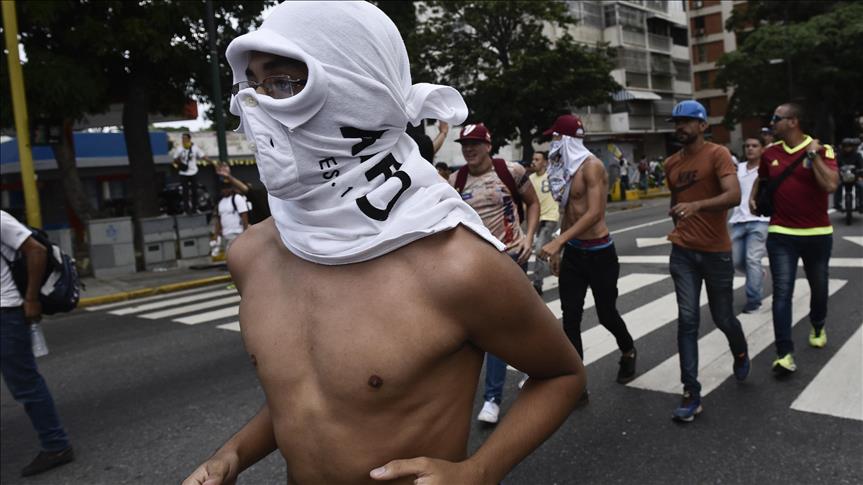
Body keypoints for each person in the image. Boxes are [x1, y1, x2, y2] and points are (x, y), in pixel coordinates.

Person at [182, 3, 584, 485]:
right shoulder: (252, 256)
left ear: (356, 96)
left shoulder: (457, 266)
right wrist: (233, 453)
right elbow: (316, 400)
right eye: (251, 85)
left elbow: (562, 375)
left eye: (284, 83)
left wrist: (479, 471)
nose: (256, 108)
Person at [537, 114, 637, 397]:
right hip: (575, 254)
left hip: (600, 253)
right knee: (570, 318)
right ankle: (577, 383)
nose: (552, 142)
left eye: (555, 137)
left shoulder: (592, 167)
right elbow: (567, 212)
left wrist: (558, 241)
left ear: (567, 139)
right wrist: (561, 248)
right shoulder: (565, 170)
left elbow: (594, 213)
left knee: (606, 314)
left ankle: (628, 350)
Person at [449, 122, 541, 424]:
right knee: (504, 326)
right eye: (465, 145)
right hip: (477, 264)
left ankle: (494, 397)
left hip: (512, 256)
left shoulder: (510, 171)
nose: (469, 150)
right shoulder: (456, 180)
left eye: (475, 143)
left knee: (502, 326)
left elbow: (532, 203)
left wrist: (529, 238)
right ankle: (523, 372)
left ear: (488, 145)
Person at [663, 100, 750, 423]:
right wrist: (680, 216)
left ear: (702, 125)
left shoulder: (718, 154)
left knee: (723, 317)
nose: (680, 127)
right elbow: (676, 199)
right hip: (683, 252)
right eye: (677, 122)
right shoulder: (671, 163)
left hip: (716, 252)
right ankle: (691, 392)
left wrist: (697, 206)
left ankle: (740, 350)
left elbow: (734, 196)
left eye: (687, 121)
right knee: (687, 319)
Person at [750, 102, 839, 376]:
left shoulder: (823, 150)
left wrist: (813, 157)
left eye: (776, 118)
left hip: (817, 234)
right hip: (781, 234)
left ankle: (818, 324)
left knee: (819, 287)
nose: (772, 123)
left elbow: (830, 184)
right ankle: (784, 354)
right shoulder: (770, 153)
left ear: (793, 121)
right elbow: (762, 179)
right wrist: (753, 197)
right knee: (782, 293)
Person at [0, 210, 75, 477]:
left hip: (6, 313)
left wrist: (31, 299)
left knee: (25, 384)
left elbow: (36, 250)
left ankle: (56, 445)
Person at [729, 138, 771, 314]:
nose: (750, 149)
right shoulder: (738, 169)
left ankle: (753, 301)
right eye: (747, 146)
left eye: (754, 146)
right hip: (738, 220)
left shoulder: (767, 169)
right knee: (736, 261)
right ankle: (757, 273)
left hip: (760, 220)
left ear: (762, 149)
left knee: (752, 259)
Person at [528, 150, 559, 296]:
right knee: (547, 248)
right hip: (538, 219)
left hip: (551, 217)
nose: (533, 162)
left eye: (537, 159)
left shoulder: (552, 176)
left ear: (545, 162)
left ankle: (537, 284)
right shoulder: (531, 179)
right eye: (533, 159)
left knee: (540, 250)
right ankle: (557, 258)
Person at [171, 133, 210, 213]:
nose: (183, 140)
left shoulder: (195, 148)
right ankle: (187, 209)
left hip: (193, 172)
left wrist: (212, 162)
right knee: (185, 192)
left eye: (185, 138)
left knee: (194, 191)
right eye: (182, 138)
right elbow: (174, 159)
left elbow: (203, 156)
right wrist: (179, 160)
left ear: (189, 139)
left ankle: (194, 208)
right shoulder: (179, 148)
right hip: (183, 173)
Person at [213, 182, 250, 254]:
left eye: (227, 188)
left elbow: (244, 215)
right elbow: (219, 220)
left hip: (237, 233)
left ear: (231, 188)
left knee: (234, 254)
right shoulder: (221, 202)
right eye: (223, 188)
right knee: (230, 256)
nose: (225, 190)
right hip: (226, 234)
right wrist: (216, 234)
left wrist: (246, 232)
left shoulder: (237, 198)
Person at [832, 137, 862, 211]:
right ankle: (837, 204)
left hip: (855, 177)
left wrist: (860, 171)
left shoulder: (857, 155)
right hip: (843, 177)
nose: (848, 148)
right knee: (837, 187)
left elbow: (861, 165)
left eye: (849, 146)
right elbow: (835, 165)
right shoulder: (839, 156)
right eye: (846, 146)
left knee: (861, 187)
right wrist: (836, 170)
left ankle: (861, 204)